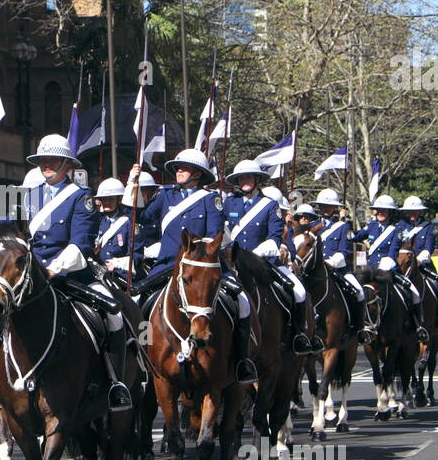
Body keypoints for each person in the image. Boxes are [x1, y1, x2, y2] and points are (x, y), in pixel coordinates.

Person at [0, 134, 131, 410]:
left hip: (70, 274)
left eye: (52, 160)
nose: (46, 165)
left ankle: (115, 382)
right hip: (28, 276)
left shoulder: (81, 198)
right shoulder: (28, 197)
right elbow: (5, 228)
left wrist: (52, 270)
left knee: (114, 313)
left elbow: (80, 245)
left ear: (66, 164)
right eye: (42, 160)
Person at [126, 150, 256, 383]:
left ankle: (241, 360)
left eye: (183, 168)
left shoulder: (209, 200)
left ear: (197, 173)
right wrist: (132, 186)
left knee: (242, 302)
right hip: (167, 266)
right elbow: (141, 218)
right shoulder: (164, 196)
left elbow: (214, 233)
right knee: (138, 303)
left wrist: (196, 254)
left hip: (202, 267)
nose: (178, 171)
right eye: (177, 168)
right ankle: (141, 357)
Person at [222, 158, 319, 356]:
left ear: (257, 179)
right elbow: (220, 230)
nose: (245, 181)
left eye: (249, 176)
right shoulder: (229, 202)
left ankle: (299, 335)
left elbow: (274, 237)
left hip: (263, 262)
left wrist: (254, 256)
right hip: (233, 263)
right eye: (241, 178)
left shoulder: (269, 205)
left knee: (299, 291)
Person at [359, 193, 429, 342]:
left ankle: (418, 327)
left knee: (414, 292)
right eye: (377, 210)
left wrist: (388, 262)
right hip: (371, 271)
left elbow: (394, 250)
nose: (380, 213)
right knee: (358, 293)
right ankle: (357, 327)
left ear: (390, 212)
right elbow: (354, 236)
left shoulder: (396, 229)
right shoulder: (371, 226)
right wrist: (344, 222)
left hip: (389, 269)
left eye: (384, 210)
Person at [312, 189, 372, 342]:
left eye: (329, 206)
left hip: (337, 269)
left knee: (359, 292)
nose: (326, 209)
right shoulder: (313, 226)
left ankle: (359, 328)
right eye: (323, 206)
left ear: (335, 208)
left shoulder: (343, 227)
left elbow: (343, 251)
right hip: (315, 271)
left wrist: (330, 263)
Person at [93, 177, 141, 275]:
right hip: (98, 273)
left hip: (120, 275)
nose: (107, 202)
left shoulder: (129, 223)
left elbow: (136, 255)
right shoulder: (96, 221)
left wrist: (118, 264)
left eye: (111, 199)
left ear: (119, 199)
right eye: (104, 199)